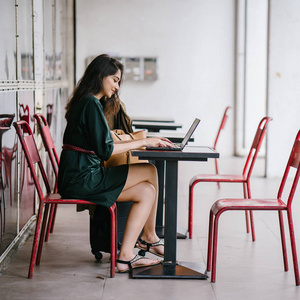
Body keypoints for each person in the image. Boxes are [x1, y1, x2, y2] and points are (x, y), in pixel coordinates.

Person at [57, 54, 174, 272]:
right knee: (149, 169)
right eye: (115, 80)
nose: (117, 87)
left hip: (78, 175)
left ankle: (125, 256)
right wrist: (143, 141)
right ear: (100, 76)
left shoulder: (86, 102)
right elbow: (106, 151)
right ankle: (148, 237)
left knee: (147, 190)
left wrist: (140, 143)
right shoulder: (91, 103)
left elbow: (103, 146)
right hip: (82, 178)